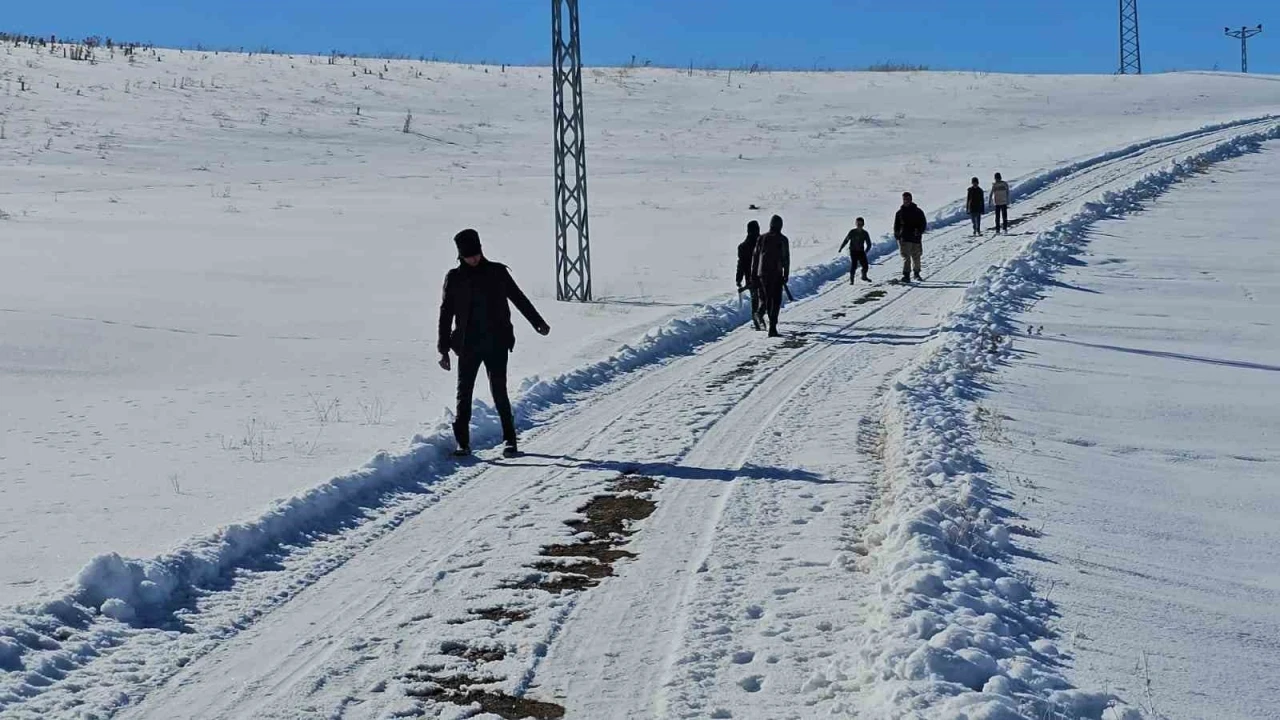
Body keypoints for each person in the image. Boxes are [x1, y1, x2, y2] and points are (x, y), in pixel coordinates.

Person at [438, 229, 550, 458]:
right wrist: (443, 349)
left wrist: (537, 322)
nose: (474, 259)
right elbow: (445, 313)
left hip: (496, 342)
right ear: (461, 256)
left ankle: (510, 441)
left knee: (499, 391)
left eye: (477, 253)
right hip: (467, 344)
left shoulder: (497, 272)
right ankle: (463, 443)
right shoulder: (455, 278)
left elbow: (518, 298)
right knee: (464, 394)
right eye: (469, 256)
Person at [752, 215, 790, 337]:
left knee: (768, 298)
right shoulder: (782, 239)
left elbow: (756, 257)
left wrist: (754, 273)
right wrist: (786, 273)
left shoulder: (761, 238)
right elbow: (786, 258)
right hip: (776, 272)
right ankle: (772, 326)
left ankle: (766, 319)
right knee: (776, 300)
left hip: (762, 273)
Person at [893, 192, 927, 283]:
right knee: (906, 257)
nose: (906, 201)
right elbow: (896, 225)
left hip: (915, 238)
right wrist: (897, 235)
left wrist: (919, 231)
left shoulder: (918, 211)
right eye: (904, 199)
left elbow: (923, 224)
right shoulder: (900, 213)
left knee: (916, 256)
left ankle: (916, 273)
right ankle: (906, 275)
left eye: (908, 199)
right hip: (904, 238)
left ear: (911, 199)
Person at [736, 220, 764, 330]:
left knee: (754, 300)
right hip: (763, 276)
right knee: (764, 298)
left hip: (750, 278)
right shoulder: (763, 242)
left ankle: (756, 319)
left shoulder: (743, 246)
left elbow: (741, 264)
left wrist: (738, 278)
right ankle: (760, 315)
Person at [838, 217, 873, 285]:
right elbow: (846, 240)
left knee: (865, 266)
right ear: (856, 224)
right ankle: (852, 280)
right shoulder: (852, 232)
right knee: (854, 265)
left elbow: (869, 243)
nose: (859, 225)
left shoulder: (865, 233)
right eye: (858, 223)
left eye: (860, 224)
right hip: (853, 251)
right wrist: (841, 247)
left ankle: (864, 276)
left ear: (863, 224)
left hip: (861, 251)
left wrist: (866, 251)